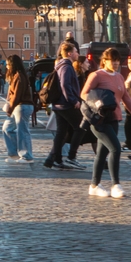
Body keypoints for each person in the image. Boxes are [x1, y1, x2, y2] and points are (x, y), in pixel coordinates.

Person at [82, 47, 131, 198]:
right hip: (99, 120)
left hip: (114, 119)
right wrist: (98, 103)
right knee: (115, 149)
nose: (116, 63)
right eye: (113, 60)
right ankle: (115, 185)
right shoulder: (96, 75)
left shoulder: (119, 77)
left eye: (118, 60)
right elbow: (84, 93)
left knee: (102, 152)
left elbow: (127, 99)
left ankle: (94, 185)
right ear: (104, 61)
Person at [45, 42, 86, 170]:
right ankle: (71, 157)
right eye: (76, 51)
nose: (77, 54)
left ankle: (54, 159)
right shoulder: (67, 67)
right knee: (81, 127)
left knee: (62, 133)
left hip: (59, 105)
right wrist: (73, 101)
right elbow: (65, 85)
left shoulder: (60, 66)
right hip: (66, 104)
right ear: (70, 53)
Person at [2, 54, 35, 163]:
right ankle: (14, 154)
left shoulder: (19, 76)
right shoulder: (16, 76)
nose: (6, 67)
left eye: (8, 65)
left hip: (22, 106)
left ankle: (27, 156)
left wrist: (10, 109)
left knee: (23, 131)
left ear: (13, 65)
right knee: (6, 128)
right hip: (18, 106)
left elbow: (17, 95)